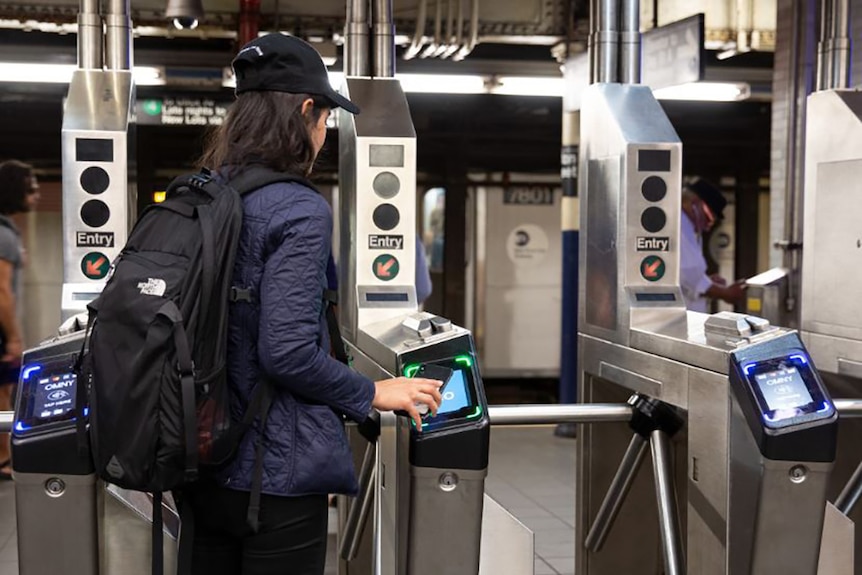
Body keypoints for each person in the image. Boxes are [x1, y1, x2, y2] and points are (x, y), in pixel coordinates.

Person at [186, 33, 443, 575]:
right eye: (326, 119)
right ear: (306, 111)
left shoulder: (202, 195)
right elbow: (285, 351)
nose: (325, 132)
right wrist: (373, 391)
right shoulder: (298, 210)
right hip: (275, 475)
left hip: (202, 461)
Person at [0, 160, 39, 480]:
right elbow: (1, 290)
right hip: (1, 332)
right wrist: (13, 336)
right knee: (2, 394)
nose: (36, 194)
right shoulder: (4, 235)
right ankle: (3, 459)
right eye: (31, 188)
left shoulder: (7, 232)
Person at [679, 177, 745, 312]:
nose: (708, 227)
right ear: (694, 204)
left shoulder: (691, 230)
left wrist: (707, 281)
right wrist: (726, 293)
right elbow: (690, 277)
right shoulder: (680, 227)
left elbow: (688, 278)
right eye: (708, 217)